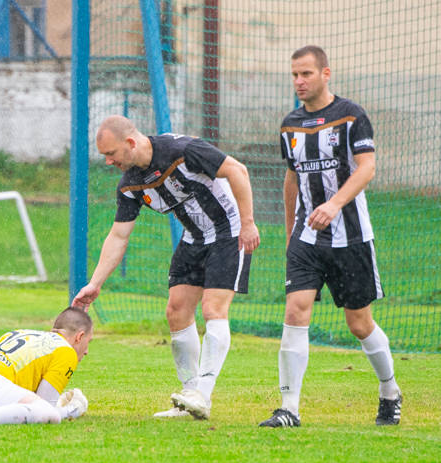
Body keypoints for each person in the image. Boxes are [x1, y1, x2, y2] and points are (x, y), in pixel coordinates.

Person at [72, 116, 260, 420]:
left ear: (130, 143)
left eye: (111, 154)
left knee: (213, 310)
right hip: (194, 238)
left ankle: (203, 395)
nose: (108, 162)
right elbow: (119, 235)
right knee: (176, 311)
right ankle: (190, 396)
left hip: (229, 231)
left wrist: (249, 223)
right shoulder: (130, 185)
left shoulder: (184, 150)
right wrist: (95, 284)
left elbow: (238, 170)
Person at [259, 46, 401, 428]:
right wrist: (292, 229)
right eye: (294, 75)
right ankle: (289, 408)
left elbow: (367, 168)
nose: (299, 82)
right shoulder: (289, 124)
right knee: (295, 311)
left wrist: (335, 204)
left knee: (359, 323)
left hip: (351, 236)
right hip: (307, 239)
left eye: (305, 74)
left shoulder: (351, 115)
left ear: (326, 73)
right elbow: (292, 178)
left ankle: (390, 391)